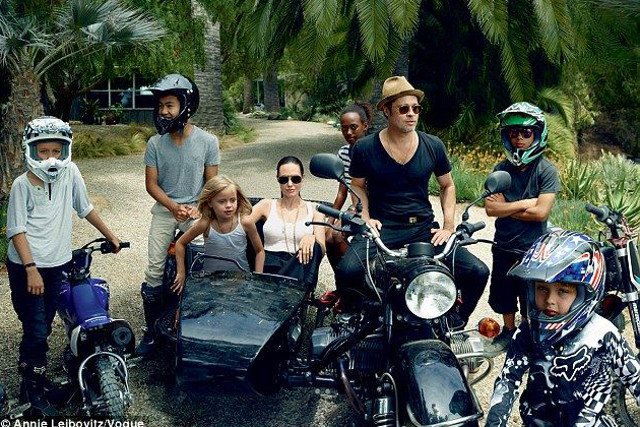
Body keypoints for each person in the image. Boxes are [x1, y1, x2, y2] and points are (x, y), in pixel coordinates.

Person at [335, 76, 489, 326]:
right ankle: (357, 320)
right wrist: (366, 219)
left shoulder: (433, 145)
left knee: (477, 271)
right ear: (387, 111)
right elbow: (357, 185)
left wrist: (448, 226)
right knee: (348, 271)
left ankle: (453, 323)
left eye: (416, 109)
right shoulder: (365, 148)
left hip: (423, 229)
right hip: (382, 228)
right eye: (404, 109)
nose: (411, 114)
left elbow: (448, 185)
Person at [5, 116, 123, 416]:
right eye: (43, 151)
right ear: (31, 150)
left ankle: (35, 382)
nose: (51, 159)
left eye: (57, 151)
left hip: (57, 264)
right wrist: (31, 268)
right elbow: (16, 230)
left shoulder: (70, 173)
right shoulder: (21, 185)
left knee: (44, 324)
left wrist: (110, 235)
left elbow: (85, 207)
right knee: (36, 328)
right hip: (27, 267)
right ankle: (33, 393)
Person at [485, 230, 640, 426]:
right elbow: (508, 380)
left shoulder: (603, 334)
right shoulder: (528, 331)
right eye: (542, 288)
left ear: (585, 293)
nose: (550, 300)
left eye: (563, 291)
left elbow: (635, 378)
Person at [138, 73, 220, 357]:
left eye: (169, 105)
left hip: (196, 209)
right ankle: (151, 332)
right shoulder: (154, 144)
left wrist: (200, 207)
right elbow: (151, 185)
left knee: (201, 264)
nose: (163, 111)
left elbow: (212, 183)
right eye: (161, 106)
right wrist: (173, 206)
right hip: (165, 210)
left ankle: (195, 323)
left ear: (186, 105)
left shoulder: (208, 141)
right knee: (154, 270)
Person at [484, 102, 561, 351]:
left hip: (533, 248)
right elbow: (491, 209)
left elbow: (541, 213)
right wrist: (527, 203)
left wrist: (507, 207)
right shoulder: (501, 169)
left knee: (532, 296)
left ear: (537, 135)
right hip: (504, 244)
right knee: (503, 293)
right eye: (513, 133)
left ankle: (529, 334)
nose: (519, 138)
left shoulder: (546, 171)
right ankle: (508, 331)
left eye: (526, 133)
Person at [172, 175, 265, 293]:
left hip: (240, 280)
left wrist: (258, 277)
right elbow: (180, 243)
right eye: (222, 201)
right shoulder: (205, 224)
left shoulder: (245, 222)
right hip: (211, 281)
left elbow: (260, 251)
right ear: (210, 202)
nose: (229, 205)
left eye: (233, 200)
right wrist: (181, 272)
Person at [248, 156, 325, 291]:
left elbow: (322, 250)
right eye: (284, 180)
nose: (290, 184)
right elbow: (240, 224)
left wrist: (312, 237)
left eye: (295, 179)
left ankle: (286, 293)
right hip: (271, 265)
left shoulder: (314, 210)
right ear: (277, 179)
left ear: (303, 178)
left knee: (315, 247)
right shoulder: (266, 205)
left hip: (299, 266)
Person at [325, 102, 372, 268]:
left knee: (339, 236)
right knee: (329, 236)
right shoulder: (344, 153)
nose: (349, 132)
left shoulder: (376, 151)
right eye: (344, 128)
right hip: (356, 209)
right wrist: (330, 220)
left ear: (365, 126)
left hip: (377, 208)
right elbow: (342, 192)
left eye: (353, 127)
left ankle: (358, 273)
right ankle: (341, 280)